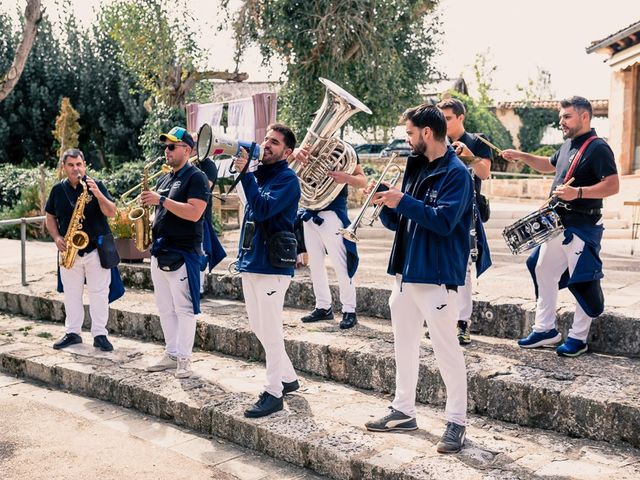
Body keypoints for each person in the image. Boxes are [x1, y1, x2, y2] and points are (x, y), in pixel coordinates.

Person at [364, 105, 473, 454]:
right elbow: (402, 223)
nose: (407, 140)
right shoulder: (415, 165)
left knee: (446, 350)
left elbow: (442, 222)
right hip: (406, 274)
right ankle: (403, 410)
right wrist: (388, 203)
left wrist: (404, 201)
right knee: (404, 345)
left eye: (410, 133)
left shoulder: (458, 174)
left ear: (427, 132)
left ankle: (456, 421)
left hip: (437, 276)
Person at [501, 96, 619, 357]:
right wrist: (521, 156)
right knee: (542, 269)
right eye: (561, 117)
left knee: (583, 279)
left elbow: (613, 185)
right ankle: (545, 329)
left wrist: (577, 192)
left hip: (583, 224)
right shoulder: (568, 145)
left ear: (584, 117)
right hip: (557, 224)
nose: (561, 122)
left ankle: (578, 338)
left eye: (567, 117)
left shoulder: (599, 148)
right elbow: (548, 165)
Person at [233, 124, 301, 418]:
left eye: (274, 142)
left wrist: (247, 173)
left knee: (270, 329)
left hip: (272, 265)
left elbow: (260, 209)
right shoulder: (260, 174)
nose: (266, 145)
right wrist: (244, 172)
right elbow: (246, 203)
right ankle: (288, 377)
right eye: (266, 140)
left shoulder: (288, 180)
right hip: (253, 260)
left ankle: (274, 392)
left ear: (287, 152)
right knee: (259, 327)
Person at [143, 127, 210, 378]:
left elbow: (195, 212)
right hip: (160, 250)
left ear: (187, 150)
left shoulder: (196, 177)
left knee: (184, 309)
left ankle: (184, 359)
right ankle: (171, 353)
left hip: (183, 252)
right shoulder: (165, 178)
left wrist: (161, 201)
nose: (166, 151)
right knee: (164, 307)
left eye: (172, 146)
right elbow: (163, 211)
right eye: (166, 146)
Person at [45, 148, 121, 352]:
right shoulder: (57, 190)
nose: (75, 169)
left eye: (79, 164)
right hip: (70, 250)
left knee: (99, 293)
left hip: (96, 249)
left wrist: (97, 194)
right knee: (71, 294)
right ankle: (72, 333)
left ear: (84, 165)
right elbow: (50, 216)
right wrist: (56, 237)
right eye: (71, 165)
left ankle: (100, 334)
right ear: (64, 167)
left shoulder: (96, 185)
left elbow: (112, 212)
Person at [293, 144, 367, 329]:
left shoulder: (342, 150)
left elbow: (363, 181)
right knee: (315, 264)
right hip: (309, 211)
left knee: (341, 264)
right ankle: (323, 306)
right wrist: (295, 157)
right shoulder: (307, 147)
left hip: (332, 213)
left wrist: (346, 178)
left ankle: (349, 310)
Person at [437, 98, 492, 345]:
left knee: (464, 268)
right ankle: (444, 319)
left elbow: (484, 173)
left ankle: (462, 322)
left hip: (467, 212)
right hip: (440, 209)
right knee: (441, 264)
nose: (443, 123)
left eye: (448, 118)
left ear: (461, 117)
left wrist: (469, 155)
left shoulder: (477, 141)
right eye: (441, 118)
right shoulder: (436, 142)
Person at [195, 154, 226, 293]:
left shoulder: (208, 164)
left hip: (201, 216)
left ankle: (199, 287)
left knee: (201, 251)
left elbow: (204, 187)